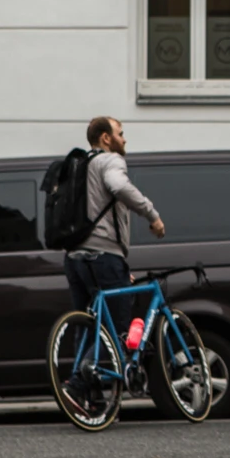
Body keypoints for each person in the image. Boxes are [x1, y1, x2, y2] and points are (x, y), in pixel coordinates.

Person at [63, 116, 166, 406]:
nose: (124, 139)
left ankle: (92, 399)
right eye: (120, 133)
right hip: (103, 254)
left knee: (88, 326)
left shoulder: (78, 166)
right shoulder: (110, 161)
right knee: (117, 328)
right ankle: (77, 386)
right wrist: (152, 215)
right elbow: (119, 187)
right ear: (106, 138)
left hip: (75, 258)